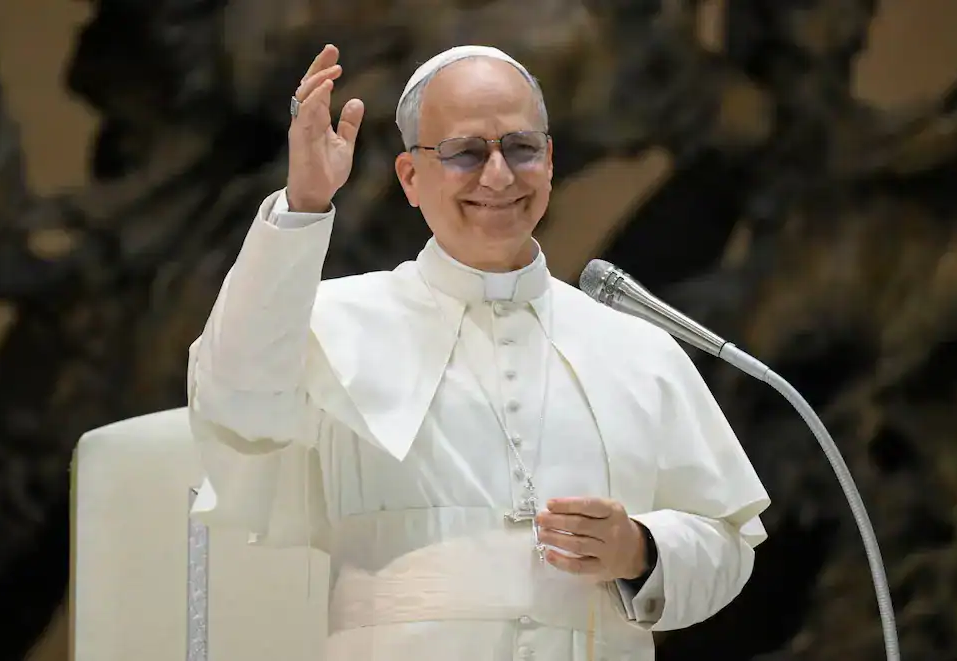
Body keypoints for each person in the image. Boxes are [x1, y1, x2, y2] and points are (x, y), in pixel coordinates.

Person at [187, 43, 770, 661]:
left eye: (520, 148)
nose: (499, 176)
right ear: (411, 178)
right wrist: (303, 205)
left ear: (548, 160)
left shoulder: (635, 345)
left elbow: (727, 538)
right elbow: (237, 403)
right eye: (466, 153)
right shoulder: (329, 323)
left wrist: (640, 549)